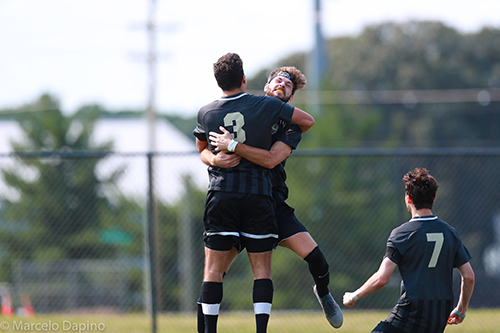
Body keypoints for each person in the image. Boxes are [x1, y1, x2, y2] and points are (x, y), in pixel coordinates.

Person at [200, 66, 343, 329]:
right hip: (240, 200)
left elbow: (270, 159)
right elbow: (204, 145)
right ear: (265, 86)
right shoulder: (248, 110)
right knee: (214, 271)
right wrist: (215, 157)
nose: (282, 85)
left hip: (272, 204)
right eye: (277, 81)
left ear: (290, 99)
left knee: (317, 259)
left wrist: (234, 147)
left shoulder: (290, 126)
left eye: (288, 86)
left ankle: (323, 295)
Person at [343, 167, 475, 333]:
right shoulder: (450, 232)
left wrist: (354, 295)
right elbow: (469, 277)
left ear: (408, 198)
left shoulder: (402, 234)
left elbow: (382, 278)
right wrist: (461, 310)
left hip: (411, 313)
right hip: (439, 315)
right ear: (434, 197)